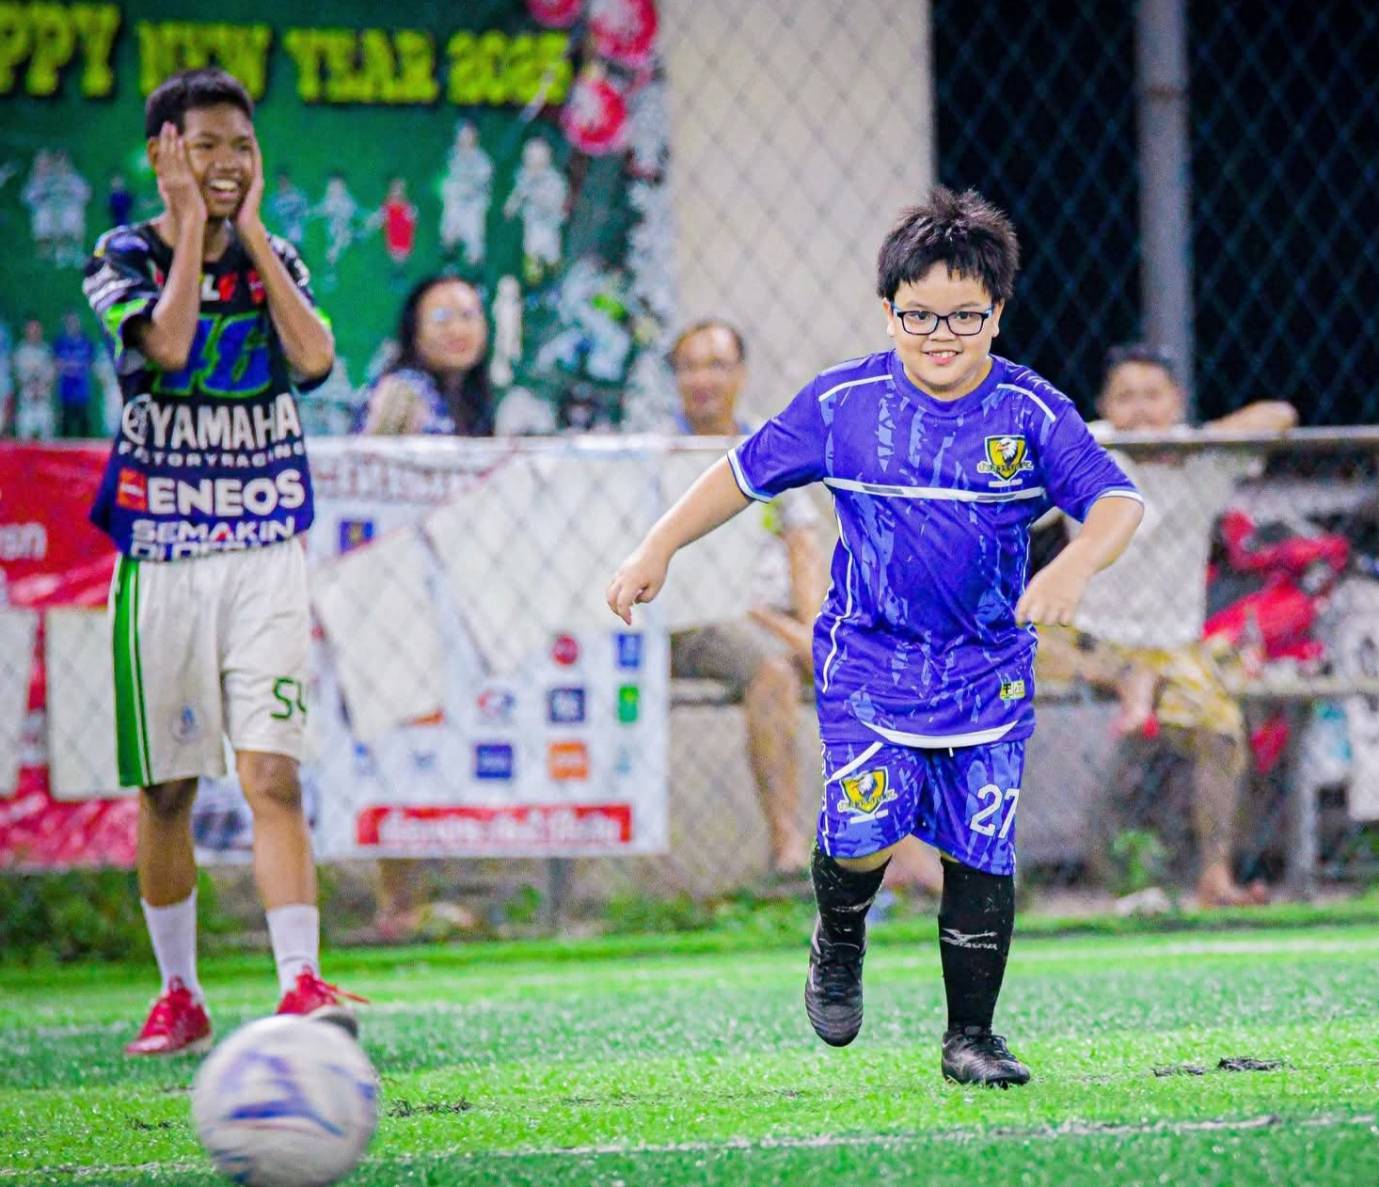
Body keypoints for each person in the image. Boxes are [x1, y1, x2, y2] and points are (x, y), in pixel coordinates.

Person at [608, 187, 1143, 1086]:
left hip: (986, 668)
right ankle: (839, 931)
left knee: (979, 848)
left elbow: (1119, 500)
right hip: (870, 660)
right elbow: (740, 473)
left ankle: (970, 1036)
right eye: (919, 315)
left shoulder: (1032, 412)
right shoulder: (843, 402)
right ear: (888, 310)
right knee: (862, 835)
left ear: (996, 313)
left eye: (963, 316)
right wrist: (655, 547)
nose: (941, 334)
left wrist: (1075, 565)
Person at [81, 67, 358, 1056]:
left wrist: (252, 239)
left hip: (264, 544)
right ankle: (180, 991)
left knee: (271, 770)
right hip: (162, 551)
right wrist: (192, 224)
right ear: (164, 153)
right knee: (167, 789)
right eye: (205, 145)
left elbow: (315, 359)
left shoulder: (275, 254)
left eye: (241, 145)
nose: (228, 162)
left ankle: (300, 980)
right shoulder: (121, 256)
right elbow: (164, 344)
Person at [1037, 344, 1297, 907]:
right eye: (1125, 397)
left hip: (1171, 644)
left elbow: (1280, 414)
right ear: (1105, 405)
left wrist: (1193, 443)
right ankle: (1125, 679)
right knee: (1003, 634)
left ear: (1176, 403)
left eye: (1153, 396)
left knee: (1220, 730)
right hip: (1087, 636)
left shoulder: (1203, 456)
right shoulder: (1087, 447)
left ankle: (1215, 876)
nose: (1140, 410)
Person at [356, 273, 494, 936]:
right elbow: (368, 478)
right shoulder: (404, 392)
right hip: (393, 590)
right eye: (442, 315)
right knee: (398, 732)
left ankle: (409, 900)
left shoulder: (472, 401)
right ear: (413, 329)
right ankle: (396, 903)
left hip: (449, 589)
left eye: (469, 313)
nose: (458, 327)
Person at [53, 310, 96, 438]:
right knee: (65, 432)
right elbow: (57, 364)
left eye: (74, 321)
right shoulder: (59, 343)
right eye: (69, 321)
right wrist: (74, 367)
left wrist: (70, 367)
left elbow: (89, 364)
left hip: (82, 394)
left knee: (84, 431)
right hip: (65, 394)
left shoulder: (87, 343)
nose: (72, 324)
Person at [12, 317, 55, 440]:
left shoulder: (46, 350)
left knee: (47, 441)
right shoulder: (20, 351)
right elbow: (17, 377)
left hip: (43, 402)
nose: (34, 332)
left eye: (37, 329)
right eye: (31, 329)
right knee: (24, 440)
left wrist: (41, 387)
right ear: (26, 331)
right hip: (27, 402)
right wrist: (30, 386)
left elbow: (52, 376)